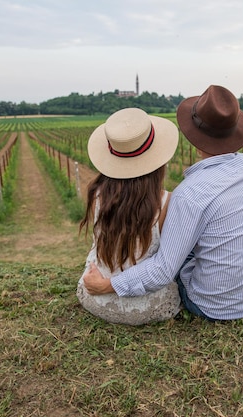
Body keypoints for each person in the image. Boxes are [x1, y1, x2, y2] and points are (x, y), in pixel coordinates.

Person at [83, 85, 243, 321]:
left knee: (175, 249)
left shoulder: (189, 194)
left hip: (213, 307)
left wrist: (106, 286)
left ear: (193, 138)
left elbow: (163, 271)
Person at [76, 107, 181, 325]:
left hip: (97, 299)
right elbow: (167, 263)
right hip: (150, 307)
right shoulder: (168, 202)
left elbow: (96, 247)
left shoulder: (97, 194)